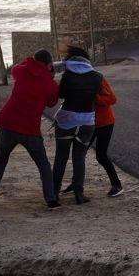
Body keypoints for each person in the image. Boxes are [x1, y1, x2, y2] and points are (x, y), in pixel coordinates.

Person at [0, 49, 60, 208]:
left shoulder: (22, 71)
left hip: (8, 124)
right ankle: (51, 200)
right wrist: (50, 76)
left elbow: (15, 67)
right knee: (43, 165)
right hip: (30, 129)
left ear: (34, 61)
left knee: (0, 161)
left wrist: (30, 63)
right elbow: (52, 103)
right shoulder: (50, 84)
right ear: (49, 65)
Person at [52, 45, 103, 204]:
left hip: (67, 120)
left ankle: (54, 193)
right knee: (79, 159)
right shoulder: (97, 76)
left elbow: (61, 95)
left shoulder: (67, 76)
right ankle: (79, 195)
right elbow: (97, 96)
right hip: (87, 122)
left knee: (61, 158)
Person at [62, 75, 123, 197]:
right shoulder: (76, 80)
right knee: (80, 154)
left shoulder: (97, 78)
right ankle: (76, 184)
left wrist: (96, 98)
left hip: (104, 122)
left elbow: (112, 99)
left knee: (101, 155)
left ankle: (117, 185)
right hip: (88, 123)